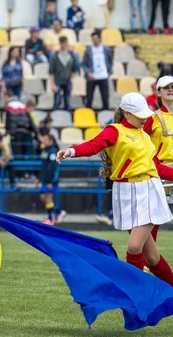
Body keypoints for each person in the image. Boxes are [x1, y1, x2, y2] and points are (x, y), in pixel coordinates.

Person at [57, 93, 173, 287]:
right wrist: (71, 151)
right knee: (151, 257)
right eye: (140, 116)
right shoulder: (115, 131)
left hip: (149, 191)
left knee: (134, 247)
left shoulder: (144, 135)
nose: (145, 119)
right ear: (127, 114)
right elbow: (94, 145)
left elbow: (156, 167)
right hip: (125, 193)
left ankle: (134, 294)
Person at [142, 76, 173, 241]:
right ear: (158, 92)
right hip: (160, 173)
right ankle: (147, 260)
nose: (170, 89)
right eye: (166, 87)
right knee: (153, 220)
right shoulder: (152, 118)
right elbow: (141, 144)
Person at [38, 133, 66, 225]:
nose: (44, 141)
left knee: (48, 197)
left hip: (51, 180)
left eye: (46, 140)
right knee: (43, 197)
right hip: (45, 179)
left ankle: (50, 219)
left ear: (50, 141)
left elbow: (53, 168)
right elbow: (44, 167)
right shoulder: (45, 151)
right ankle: (58, 212)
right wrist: (40, 178)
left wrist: (50, 181)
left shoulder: (53, 152)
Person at [82, 31, 112, 111]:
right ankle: (88, 113)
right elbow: (84, 64)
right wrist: (88, 73)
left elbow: (110, 60)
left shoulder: (106, 49)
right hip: (92, 77)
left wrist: (109, 71)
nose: (94, 40)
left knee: (105, 97)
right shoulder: (88, 50)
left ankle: (105, 113)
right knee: (89, 98)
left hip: (103, 76)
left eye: (96, 38)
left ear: (100, 39)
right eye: (93, 39)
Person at [5, 91, 38, 161]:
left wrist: (8, 131)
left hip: (16, 135)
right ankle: (30, 171)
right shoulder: (23, 106)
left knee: (18, 157)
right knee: (29, 157)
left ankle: (20, 171)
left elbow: (8, 121)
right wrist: (37, 134)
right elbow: (31, 122)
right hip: (26, 133)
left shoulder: (9, 106)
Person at [49, 36, 77, 111]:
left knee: (67, 102)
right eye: (62, 43)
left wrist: (71, 79)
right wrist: (53, 84)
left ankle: (68, 118)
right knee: (56, 102)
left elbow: (74, 69)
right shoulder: (55, 56)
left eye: (64, 43)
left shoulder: (71, 55)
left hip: (68, 81)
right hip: (58, 81)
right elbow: (51, 71)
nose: (63, 45)